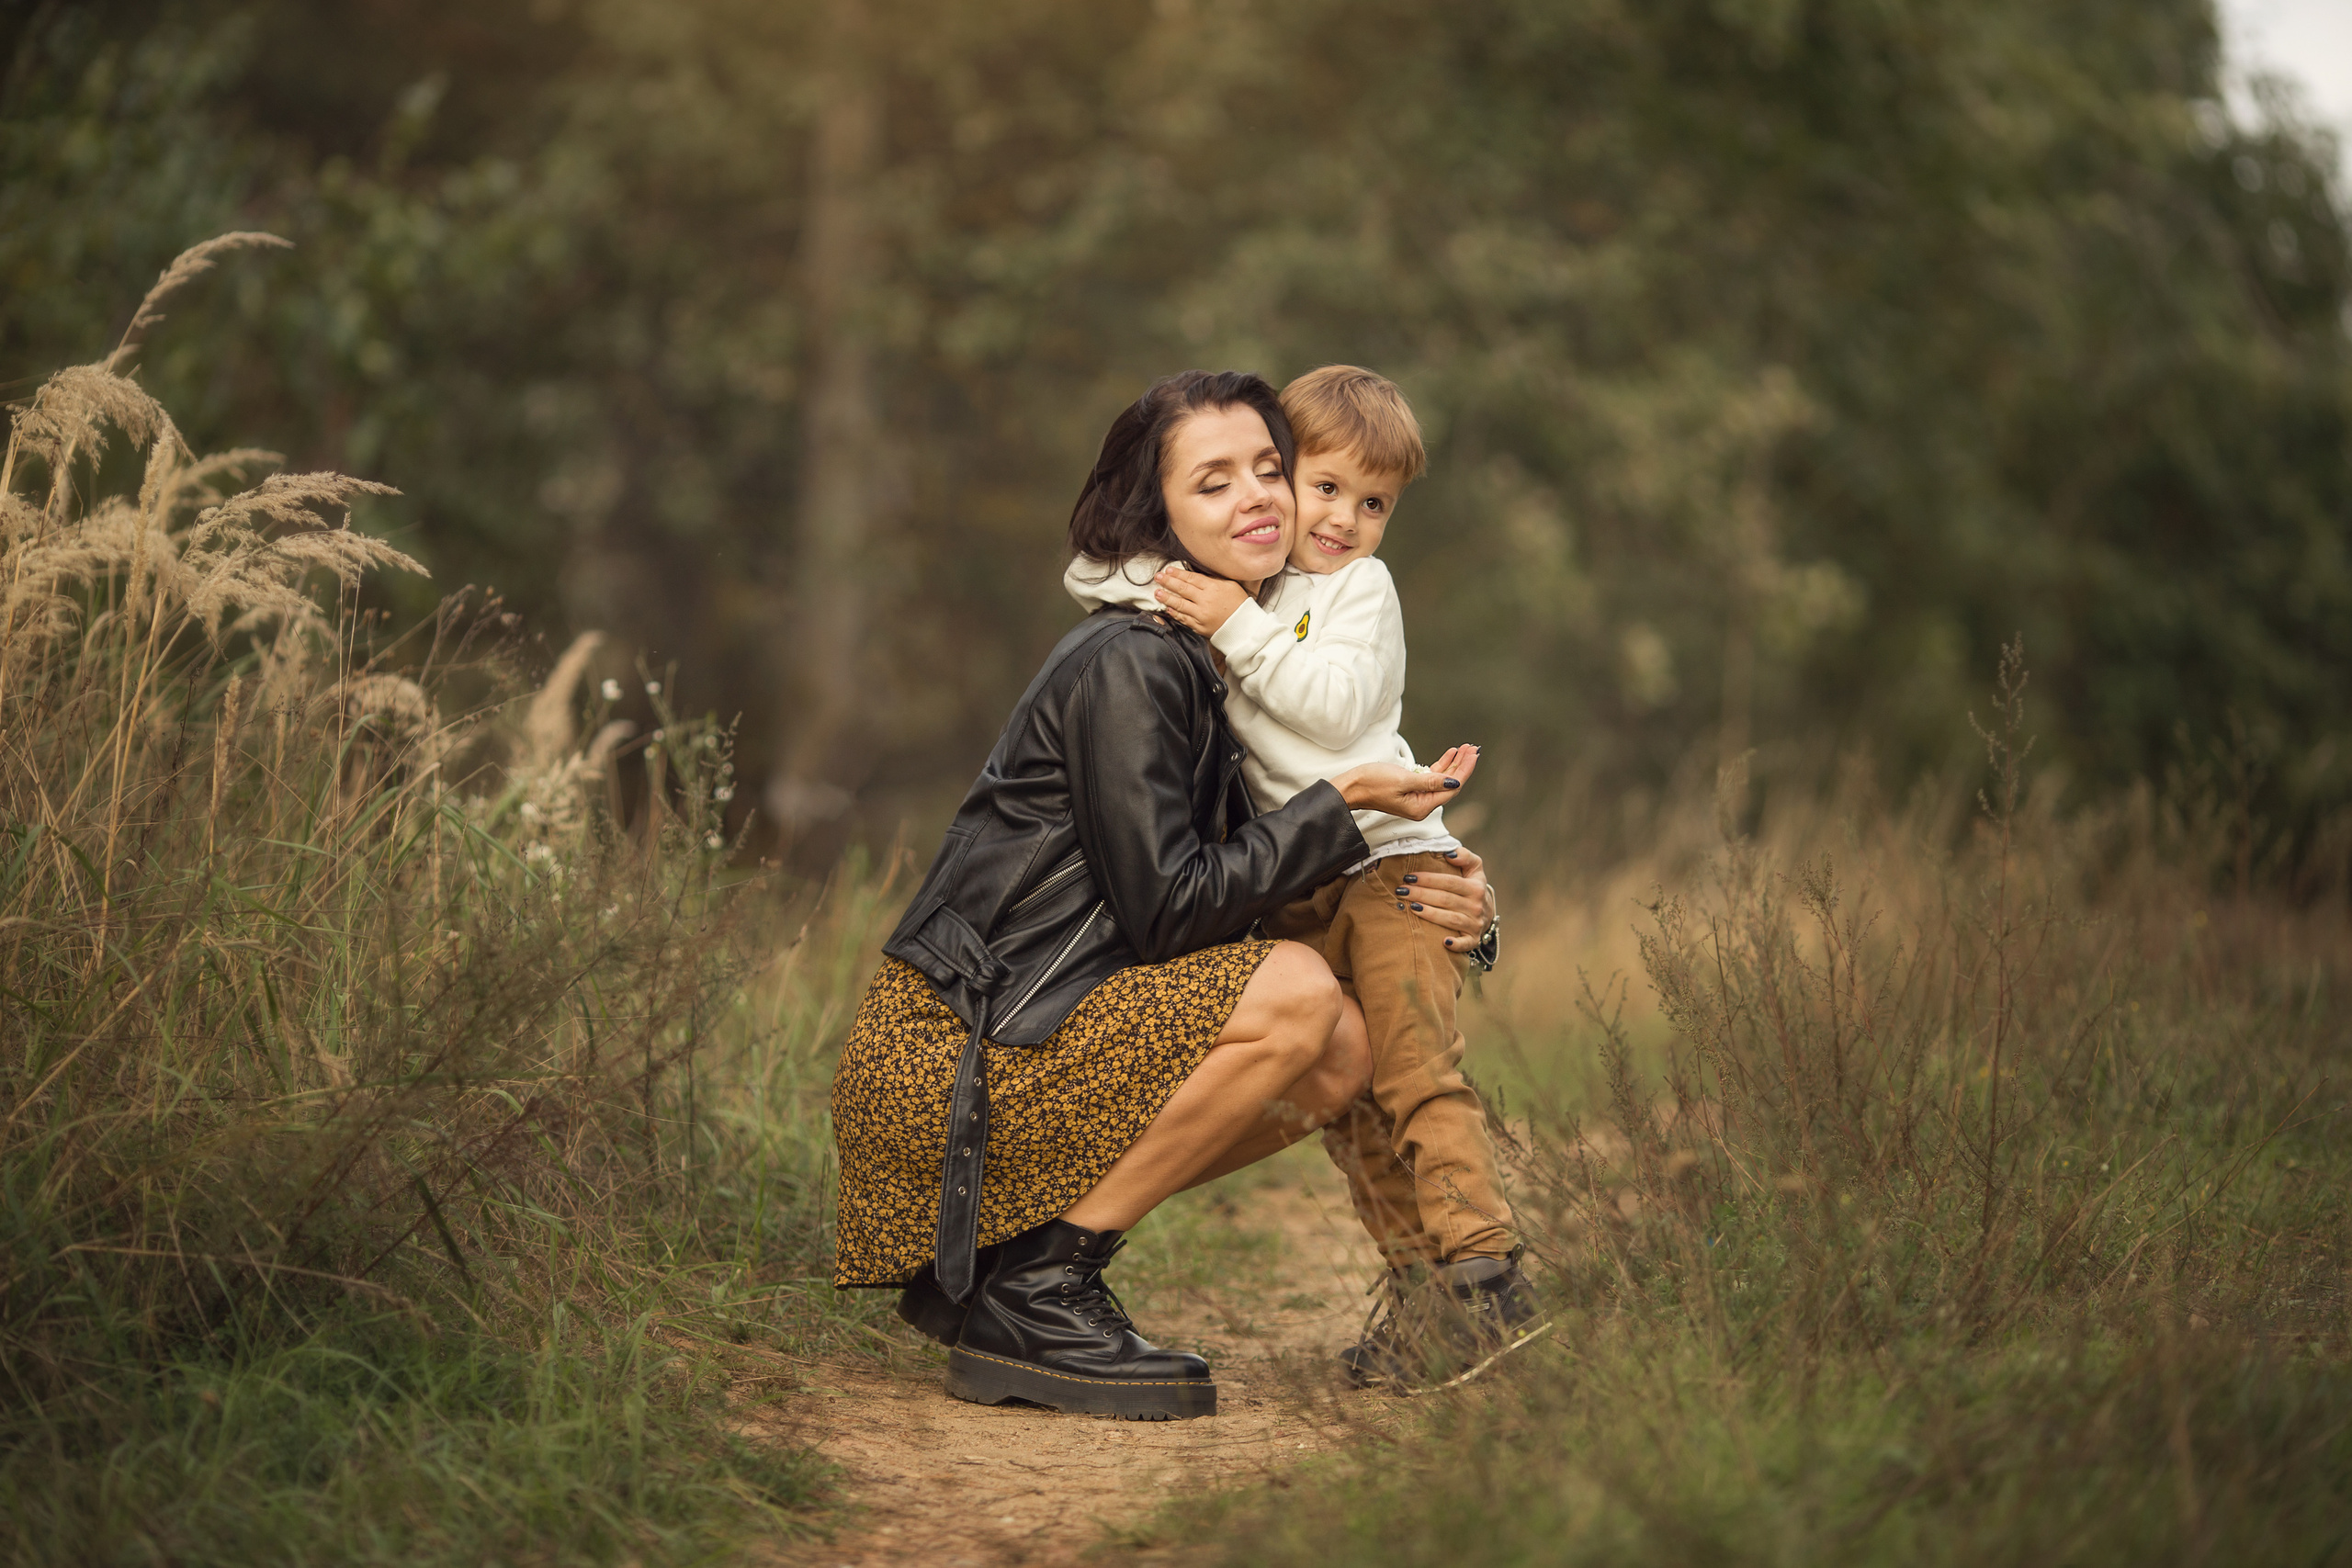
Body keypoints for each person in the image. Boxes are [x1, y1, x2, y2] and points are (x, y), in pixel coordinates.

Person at [828, 369, 1492, 1422]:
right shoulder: (1133, 660)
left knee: (1345, 1040)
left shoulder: (1225, 652)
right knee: (1297, 995)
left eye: (1270, 471)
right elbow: (1174, 912)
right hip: (950, 1058)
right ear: (1157, 514)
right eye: (1214, 483)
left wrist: (1450, 889)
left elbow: (1290, 838)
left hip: (1032, 1034)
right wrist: (1343, 801)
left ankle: (1033, 1270)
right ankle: (1041, 1289)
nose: (1261, 500)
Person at [1068, 365, 1535, 1390]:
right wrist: (1169, 585)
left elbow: (1330, 711)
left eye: (1374, 504)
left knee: (1414, 1069)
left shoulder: (1356, 591)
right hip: (1305, 878)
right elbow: (1102, 579)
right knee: (1353, 1093)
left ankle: (1485, 1271)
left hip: (1388, 868)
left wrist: (1231, 621)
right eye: (1321, 487)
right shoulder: (1253, 582)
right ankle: (1422, 1298)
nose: (1339, 519)